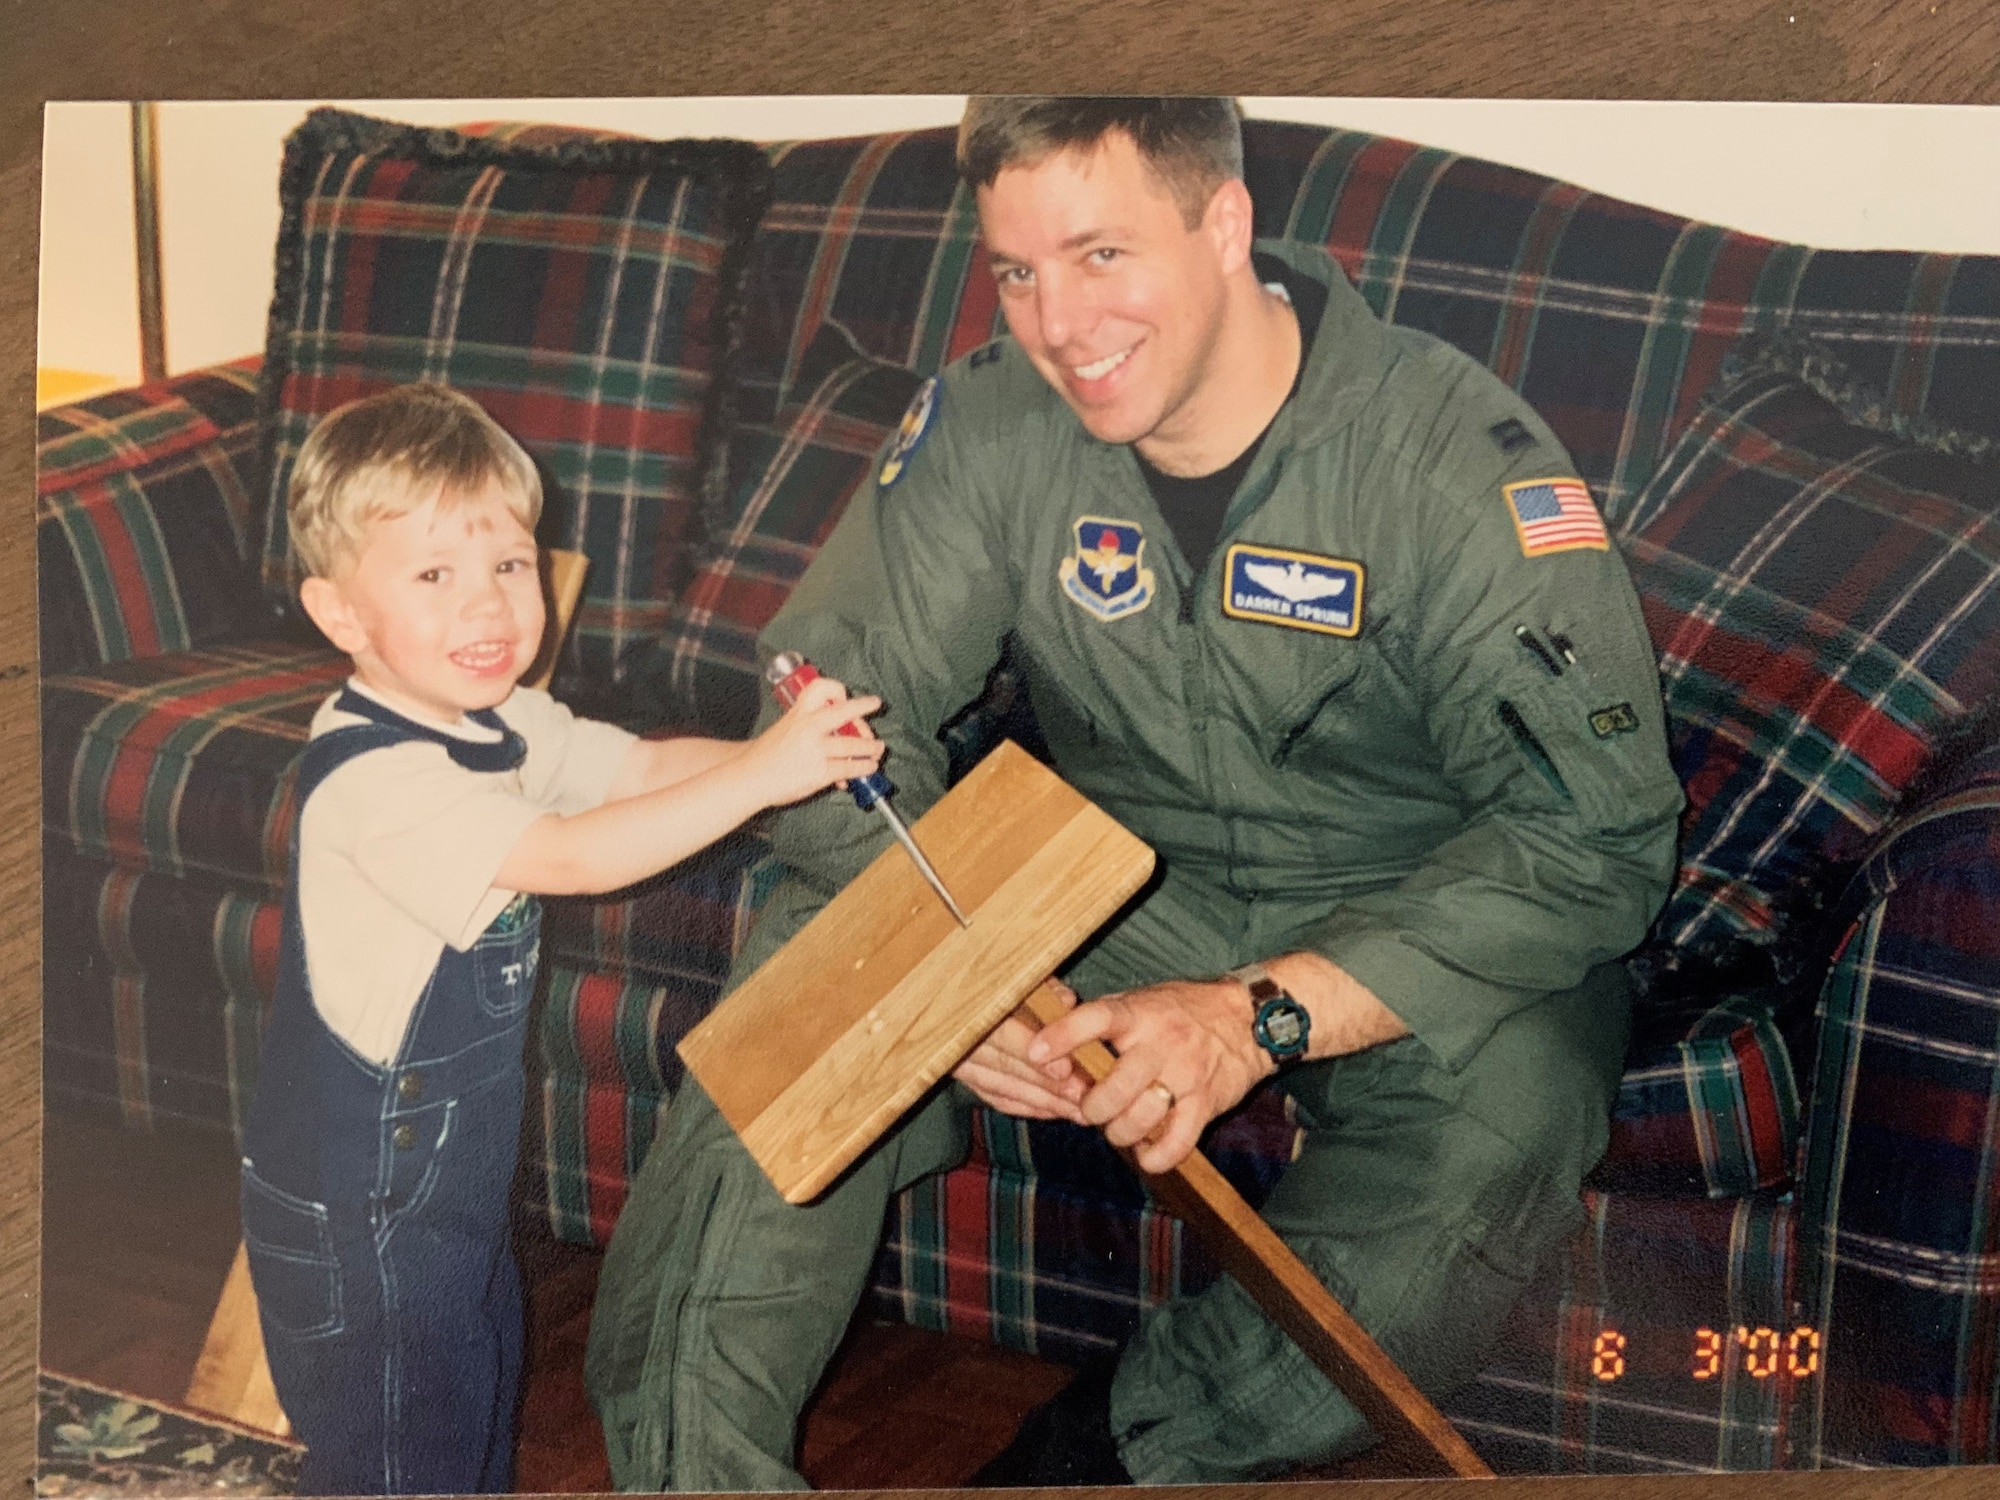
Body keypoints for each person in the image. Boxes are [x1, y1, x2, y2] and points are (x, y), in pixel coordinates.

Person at [585, 97, 1685, 1489]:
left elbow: (1592, 841)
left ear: (1224, 224)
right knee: (821, 945)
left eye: (1102, 255)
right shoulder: (990, 422)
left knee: (1499, 1147)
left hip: (1423, 912)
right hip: (1108, 876)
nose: (1060, 324)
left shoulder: (1453, 469)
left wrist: (1259, 1015)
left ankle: (1094, 1459)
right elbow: (828, 707)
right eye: (1018, 271)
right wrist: (955, 952)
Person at [237, 382, 884, 1496]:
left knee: (471, 1403)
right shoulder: (376, 779)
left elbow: (631, 769)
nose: (488, 607)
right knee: (397, 1460)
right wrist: (761, 780)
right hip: (359, 1212)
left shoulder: (492, 720)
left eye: (510, 565)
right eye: (434, 577)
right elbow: (575, 857)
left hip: (443, 1200)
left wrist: (779, 748)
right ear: (341, 616)